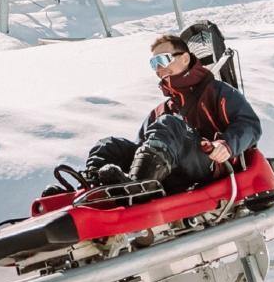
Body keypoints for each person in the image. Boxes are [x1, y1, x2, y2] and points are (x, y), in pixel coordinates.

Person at [84, 33, 262, 194]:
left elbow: (250, 125)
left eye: (163, 59)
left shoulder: (217, 92)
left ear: (185, 58)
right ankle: (94, 187)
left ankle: (141, 187)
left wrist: (227, 145)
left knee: (169, 124)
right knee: (109, 145)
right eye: (153, 64)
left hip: (212, 164)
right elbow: (142, 148)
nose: (158, 68)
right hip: (172, 173)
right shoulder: (161, 110)